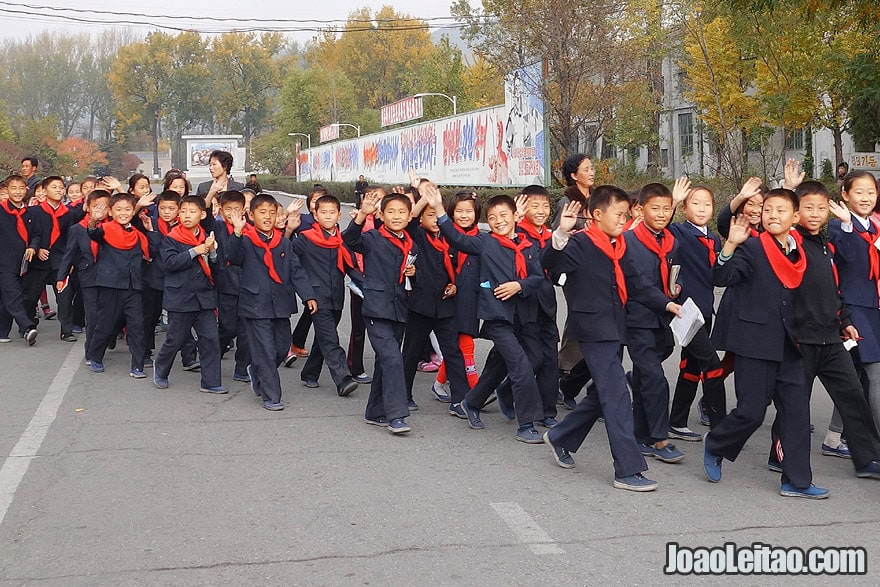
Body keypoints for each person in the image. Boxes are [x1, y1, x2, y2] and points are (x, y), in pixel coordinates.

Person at [541, 187, 680, 492]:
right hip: (592, 330)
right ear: (597, 215)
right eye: (619, 215)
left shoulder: (619, 245)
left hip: (615, 328)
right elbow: (550, 267)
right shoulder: (578, 243)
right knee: (617, 395)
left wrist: (666, 303)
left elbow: (637, 284)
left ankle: (561, 436)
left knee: (602, 396)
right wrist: (559, 236)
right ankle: (627, 469)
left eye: (626, 215)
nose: (624, 220)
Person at [705, 188, 829, 499]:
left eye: (781, 211)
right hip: (755, 342)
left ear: (795, 218)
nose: (773, 216)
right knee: (751, 412)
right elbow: (722, 276)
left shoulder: (799, 250)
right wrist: (730, 244)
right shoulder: (753, 247)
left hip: (790, 343)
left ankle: (796, 481)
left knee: (798, 413)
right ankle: (716, 444)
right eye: (768, 210)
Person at [761, 180, 880, 479]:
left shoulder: (826, 245)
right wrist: (787, 191)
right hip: (800, 340)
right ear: (795, 214)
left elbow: (835, 289)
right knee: (795, 402)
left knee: (853, 396)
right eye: (807, 208)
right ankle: (780, 452)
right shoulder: (791, 244)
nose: (814, 213)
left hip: (831, 337)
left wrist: (846, 321)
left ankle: (867, 459)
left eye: (820, 208)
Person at [423, 185, 547, 443]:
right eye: (492, 218)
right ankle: (526, 425)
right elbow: (457, 239)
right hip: (498, 318)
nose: (498, 221)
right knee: (520, 366)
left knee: (526, 360)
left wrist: (519, 285)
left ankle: (473, 401)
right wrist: (438, 209)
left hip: (525, 317)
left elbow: (538, 277)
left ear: (516, 216)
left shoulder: (528, 245)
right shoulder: (485, 242)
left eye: (504, 216)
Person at [225, 193, 317, 411]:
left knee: (281, 347)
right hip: (255, 304)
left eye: (272, 212)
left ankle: (257, 371)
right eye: (262, 212)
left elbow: (296, 270)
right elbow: (233, 257)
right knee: (265, 350)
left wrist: (308, 295)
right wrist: (237, 232)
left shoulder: (283, 243)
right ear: (251, 215)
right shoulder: (245, 240)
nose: (267, 217)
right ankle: (271, 395)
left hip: (281, 304)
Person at [343, 189, 417, 434]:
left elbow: (412, 277)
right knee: (393, 359)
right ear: (382, 215)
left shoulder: (410, 243)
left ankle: (374, 411)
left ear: (409, 217)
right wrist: (362, 215)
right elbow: (349, 240)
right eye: (391, 212)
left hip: (400, 309)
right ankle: (396, 415)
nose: (396, 216)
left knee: (386, 361)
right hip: (376, 308)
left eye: (402, 212)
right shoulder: (373, 238)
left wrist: (413, 275)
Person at [623, 182, 685, 463]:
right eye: (655, 208)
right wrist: (665, 301)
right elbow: (637, 285)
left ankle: (639, 433)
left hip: (662, 319)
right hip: (637, 319)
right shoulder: (629, 241)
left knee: (648, 374)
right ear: (640, 209)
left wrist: (676, 289)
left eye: (667, 209)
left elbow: (674, 273)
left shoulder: (671, 241)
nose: (662, 214)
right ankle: (660, 439)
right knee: (656, 380)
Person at [399, 186, 469, 415]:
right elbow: (408, 220)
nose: (436, 220)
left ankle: (460, 399)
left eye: (437, 215)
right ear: (421, 219)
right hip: (420, 305)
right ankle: (404, 395)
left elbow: (460, 268)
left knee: (453, 353)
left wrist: (455, 285)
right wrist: (423, 200)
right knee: (411, 352)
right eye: (429, 216)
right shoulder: (417, 235)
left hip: (446, 306)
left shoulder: (452, 238)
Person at [667, 184, 726, 438]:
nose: (702, 208)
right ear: (684, 208)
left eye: (707, 204)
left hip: (705, 310)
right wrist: (671, 201)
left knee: (691, 367)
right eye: (695, 203)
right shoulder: (679, 231)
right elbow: (662, 228)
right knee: (712, 365)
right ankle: (721, 428)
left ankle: (677, 421)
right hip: (686, 311)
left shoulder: (713, 238)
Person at [153, 195, 225, 393]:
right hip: (180, 297)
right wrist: (194, 251)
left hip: (204, 298)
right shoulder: (172, 238)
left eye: (192, 212)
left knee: (210, 339)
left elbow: (217, 269)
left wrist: (212, 253)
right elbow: (169, 264)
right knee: (175, 339)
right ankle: (160, 369)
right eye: (183, 211)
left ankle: (211, 382)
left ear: (202, 214)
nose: (186, 215)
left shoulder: (207, 237)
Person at [291, 194, 359, 397]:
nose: (328, 216)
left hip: (336, 296)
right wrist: (306, 295)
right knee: (331, 339)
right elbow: (293, 266)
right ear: (315, 214)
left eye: (332, 212)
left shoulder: (340, 240)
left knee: (323, 339)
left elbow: (351, 267)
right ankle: (343, 379)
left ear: (339, 215)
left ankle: (309, 373)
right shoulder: (305, 239)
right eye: (323, 212)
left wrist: (367, 286)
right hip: (316, 298)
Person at [828, 171, 880, 431]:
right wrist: (848, 225)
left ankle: (835, 436)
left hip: (874, 307)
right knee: (874, 373)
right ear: (845, 195)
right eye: (859, 192)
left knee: (857, 375)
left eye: (871, 192)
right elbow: (843, 259)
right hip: (852, 307)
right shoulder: (839, 225)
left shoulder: (875, 227)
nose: (866, 197)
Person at [85, 193, 151, 377]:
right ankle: (95, 356)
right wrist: (93, 221)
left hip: (133, 287)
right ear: (111, 212)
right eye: (119, 210)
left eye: (128, 209)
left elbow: (151, 250)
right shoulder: (105, 229)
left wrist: (149, 228)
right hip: (110, 286)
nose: (123, 213)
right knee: (105, 325)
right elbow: (93, 233)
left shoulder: (137, 231)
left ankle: (137, 365)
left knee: (137, 326)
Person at [431, 192, 482, 400]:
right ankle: (475, 388)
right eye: (459, 211)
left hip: (473, 297)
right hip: (451, 298)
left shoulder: (481, 238)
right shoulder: (446, 236)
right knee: (464, 342)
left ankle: (439, 383)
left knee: (459, 344)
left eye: (469, 211)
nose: (464, 215)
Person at [24, 176, 85, 341]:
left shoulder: (68, 213)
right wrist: (37, 249)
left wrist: (70, 261)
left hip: (60, 260)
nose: (59, 190)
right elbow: (28, 234)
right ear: (44, 191)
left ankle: (67, 330)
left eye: (61, 187)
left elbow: (70, 240)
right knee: (31, 295)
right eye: (54, 187)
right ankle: (29, 325)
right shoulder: (34, 211)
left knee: (64, 295)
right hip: (38, 261)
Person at [56, 189, 111, 361]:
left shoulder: (112, 227)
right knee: (93, 316)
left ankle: (108, 338)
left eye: (104, 207)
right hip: (88, 276)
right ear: (87, 207)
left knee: (109, 314)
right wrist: (61, 277)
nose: (99, 211)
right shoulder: (77, 229)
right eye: (95, 207)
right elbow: (69, 254)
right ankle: (92, 352)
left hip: (111, 277)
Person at [213, 190, 252, 382]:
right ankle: (213, 356)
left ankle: (242, 368)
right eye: (228, 209)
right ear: (221, 210)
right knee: (227, 328)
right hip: (226, 284)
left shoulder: (249, 228)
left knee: (246, 329)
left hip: (247, 285)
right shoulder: (218, 228)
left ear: (244, 209)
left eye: (237, 209)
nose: (233, 213)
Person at [0, 174, 39, 345]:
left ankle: (2, 331)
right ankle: (27, 327)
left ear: (26, 189)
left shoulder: (29, 212)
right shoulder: (1, 210)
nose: (17, 192)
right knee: (13, 295)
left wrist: (33, 246)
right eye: (13, 188)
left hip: (24, 263)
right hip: (4, 262)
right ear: (6, 190)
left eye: (21, 188)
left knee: (7, 297)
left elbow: (37, 234)